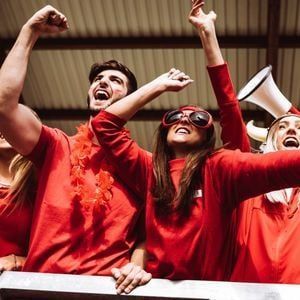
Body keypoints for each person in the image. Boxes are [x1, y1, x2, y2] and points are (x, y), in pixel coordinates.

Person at [91, 59, 300, 281]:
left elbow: (283, 163)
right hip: (160, 290)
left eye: (198, 118)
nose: (184, 119)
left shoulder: (219, 168)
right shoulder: (149, 170)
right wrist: (158, 86)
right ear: (165, 129)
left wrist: (208, 35)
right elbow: (105, 125)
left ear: (206, 138)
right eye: (174, 116)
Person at [0, 5, 150, 293]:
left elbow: (154, 229)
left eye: (115, 81)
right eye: (98, 80)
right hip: (40, 289)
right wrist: (29, 31)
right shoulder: (55, 145)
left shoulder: (141, 163)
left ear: (131, 100)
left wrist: (138, 262)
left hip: (109, 291)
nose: (103, 82)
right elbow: (5, 107)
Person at [190, 0, 300, 283]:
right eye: (283, 126)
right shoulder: (248, 178)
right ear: (268, 142)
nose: (291, 130)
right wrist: (208, 35)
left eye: (299, 128)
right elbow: (228, 107)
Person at [0, 134, 36, 272]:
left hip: (24, 283)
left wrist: (21, 260)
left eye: (12, 120)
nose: (3, 128)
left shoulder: (44, 183)